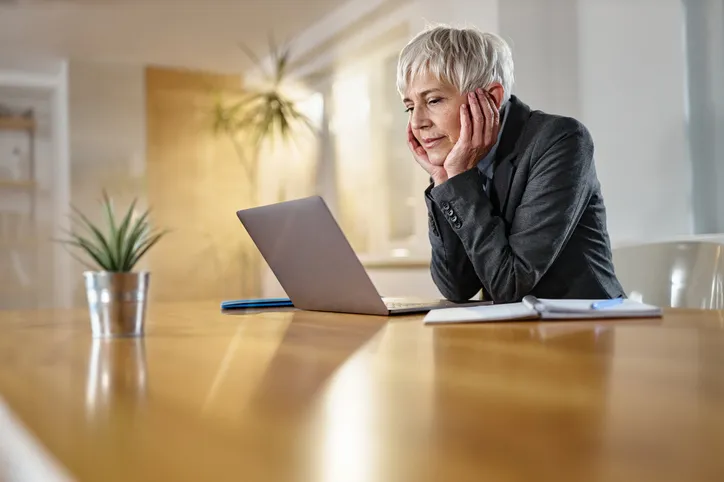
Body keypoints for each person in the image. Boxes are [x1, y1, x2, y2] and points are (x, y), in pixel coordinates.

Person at [397, 25, 625, 303]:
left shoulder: (561, 140)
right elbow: (456, 288)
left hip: (583, 331)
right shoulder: (461, 161)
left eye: (433, 100)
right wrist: (444, 179)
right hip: (512, 334)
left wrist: (459, 177)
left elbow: (510, 284)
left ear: (491, 99)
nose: (417, 122)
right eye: (410, 107)